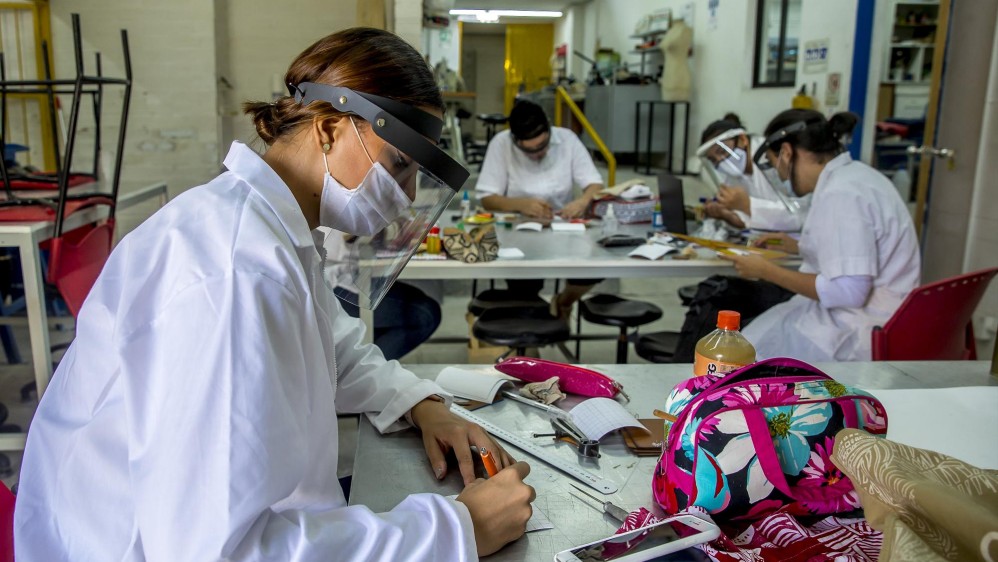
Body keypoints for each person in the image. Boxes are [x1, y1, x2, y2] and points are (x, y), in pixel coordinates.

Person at [14, 28, 535, 561]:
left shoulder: (268, 227)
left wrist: (422, 406)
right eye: (399, 164)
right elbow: (218, 553)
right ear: (331, 127)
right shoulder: (234, 273)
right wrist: (458, 530)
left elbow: (331, 351)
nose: (406, 196)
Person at [721, 109, 920, 361]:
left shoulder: (840, 193)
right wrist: (798, 246)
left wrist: (765, 271)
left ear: (787, 152)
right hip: (887, 318)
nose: (781, 176)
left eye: (775, 166)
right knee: (751, 338)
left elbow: (848, 292)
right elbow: (859, 249)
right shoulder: (859, 176)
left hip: (857, 330)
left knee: (734, 358)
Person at [475, 99, 605, 318]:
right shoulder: (501, 144)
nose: (537, 154)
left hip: (564, 227)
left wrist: (581, 202)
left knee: (590, 271)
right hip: (519, 230)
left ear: (549, 130)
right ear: (515, 140)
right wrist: (521, 204)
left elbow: (595, 184)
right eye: (529, 151)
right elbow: (487, 197)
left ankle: (564, 302)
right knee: (524, 284)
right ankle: (529, 337)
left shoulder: (567, 140)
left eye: (542, 147)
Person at [323, 229, 443, 361]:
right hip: (338, 288)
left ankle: (359, 361)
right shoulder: (338, 216)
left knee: (418, 298)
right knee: (426, 314)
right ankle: (364, 367)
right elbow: (350, 230)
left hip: (355, 277)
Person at [696, 113, 810, 232]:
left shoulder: (772, 158)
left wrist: (747, 205)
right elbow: (749, 221)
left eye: (722, 151)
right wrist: (725, 214)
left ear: (742, 139)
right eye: (713, 159)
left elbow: (800, 215)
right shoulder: (732, 174)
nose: (720, 160)